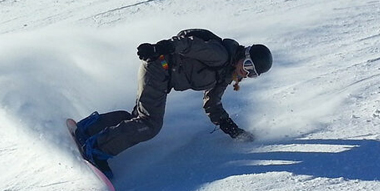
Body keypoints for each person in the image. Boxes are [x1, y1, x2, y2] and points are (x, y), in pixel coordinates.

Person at [72, 29, 271, 178]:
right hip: (160, 65)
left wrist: (232, 129)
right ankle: (96, 150)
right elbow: (190, 45)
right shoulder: (221, 55)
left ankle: (89, 129)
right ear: (244, 55)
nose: (246, 73)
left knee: (139, 119)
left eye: (252, 73)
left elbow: (212, 104)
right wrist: (161, 47)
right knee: (150, 124)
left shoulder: (225, 75)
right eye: (248, 65)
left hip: (163, 74)